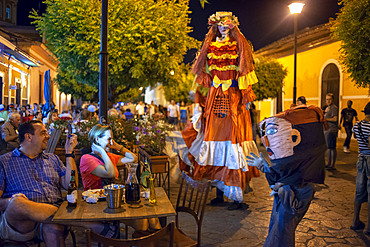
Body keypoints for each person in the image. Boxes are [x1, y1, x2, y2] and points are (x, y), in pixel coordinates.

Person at [181, 12, 259, 210]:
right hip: (215, 99)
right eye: (220, 24)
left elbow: (243, 71)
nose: (224, 27)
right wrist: (199, 100)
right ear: (215, 26)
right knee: (213, 141)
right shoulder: (210, 46)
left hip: (233, 99)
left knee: (232, 141)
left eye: (227, 24)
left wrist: (246, 96)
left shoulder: (238, 45)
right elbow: (203, 77)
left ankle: (235, 196)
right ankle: (219, 194)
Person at [0, 121, 118, 245]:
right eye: (43, 133)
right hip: (22, 224)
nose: (49, 136)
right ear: (28, 137)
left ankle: (70, 221)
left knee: (53, 228)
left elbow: (70, 185)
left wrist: (69, 153)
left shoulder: (52, 159)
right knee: (17, 203)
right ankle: (89, 224)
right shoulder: (4, 162)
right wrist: (11, 202)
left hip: (51, 218)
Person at [247, 105, 326, 247]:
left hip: (282, 239)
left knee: (281, 234)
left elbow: (293, 208)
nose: (266, 141)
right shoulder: (290, 171)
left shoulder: (305, 183)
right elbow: (276, 183)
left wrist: (283, 189)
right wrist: (266, 169)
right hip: (277, 233)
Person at [79, 124, 137, 190]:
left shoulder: (109, 156)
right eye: (109, 139)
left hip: (112, 196)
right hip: (95, 198)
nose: (112, 143)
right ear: (97, 139)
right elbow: (110, 173)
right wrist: (102, 151)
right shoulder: (86, 159)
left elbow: (133, 158)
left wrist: (117, 147)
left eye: (112, 139)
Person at [350, 102, 370, 234]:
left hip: (361, 159)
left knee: (358, 192)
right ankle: (369, 227)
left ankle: (355, 221)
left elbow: (355, 137)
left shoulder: (357, 125)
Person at [322, 93, 339, 170]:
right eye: (327, 99)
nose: (328, 101)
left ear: (332, 100)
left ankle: (332, 164)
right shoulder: (327, 108)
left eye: (329, 99)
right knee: (329, 147)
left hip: (331, 130)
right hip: (327, 129)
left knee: (331, 147)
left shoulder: (334, 108)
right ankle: (329, 163)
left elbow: (335, 119)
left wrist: (325, 119)